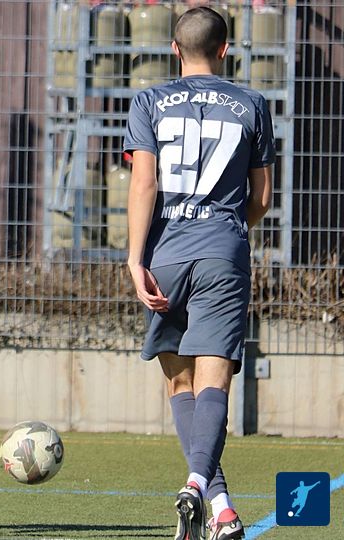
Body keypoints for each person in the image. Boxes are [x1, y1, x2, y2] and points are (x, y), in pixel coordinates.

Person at [123, 7, 273, 540]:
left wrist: (135, 258)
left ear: (174, 49)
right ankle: (199, 486)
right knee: (214, 382)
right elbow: (261, 198)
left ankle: (220, 507)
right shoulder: (252, 104)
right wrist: (226, 229)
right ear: (225, 50)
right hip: (222, 254)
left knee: (180, 384)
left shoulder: (148, 101)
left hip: (164, 255)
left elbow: (144, 184)